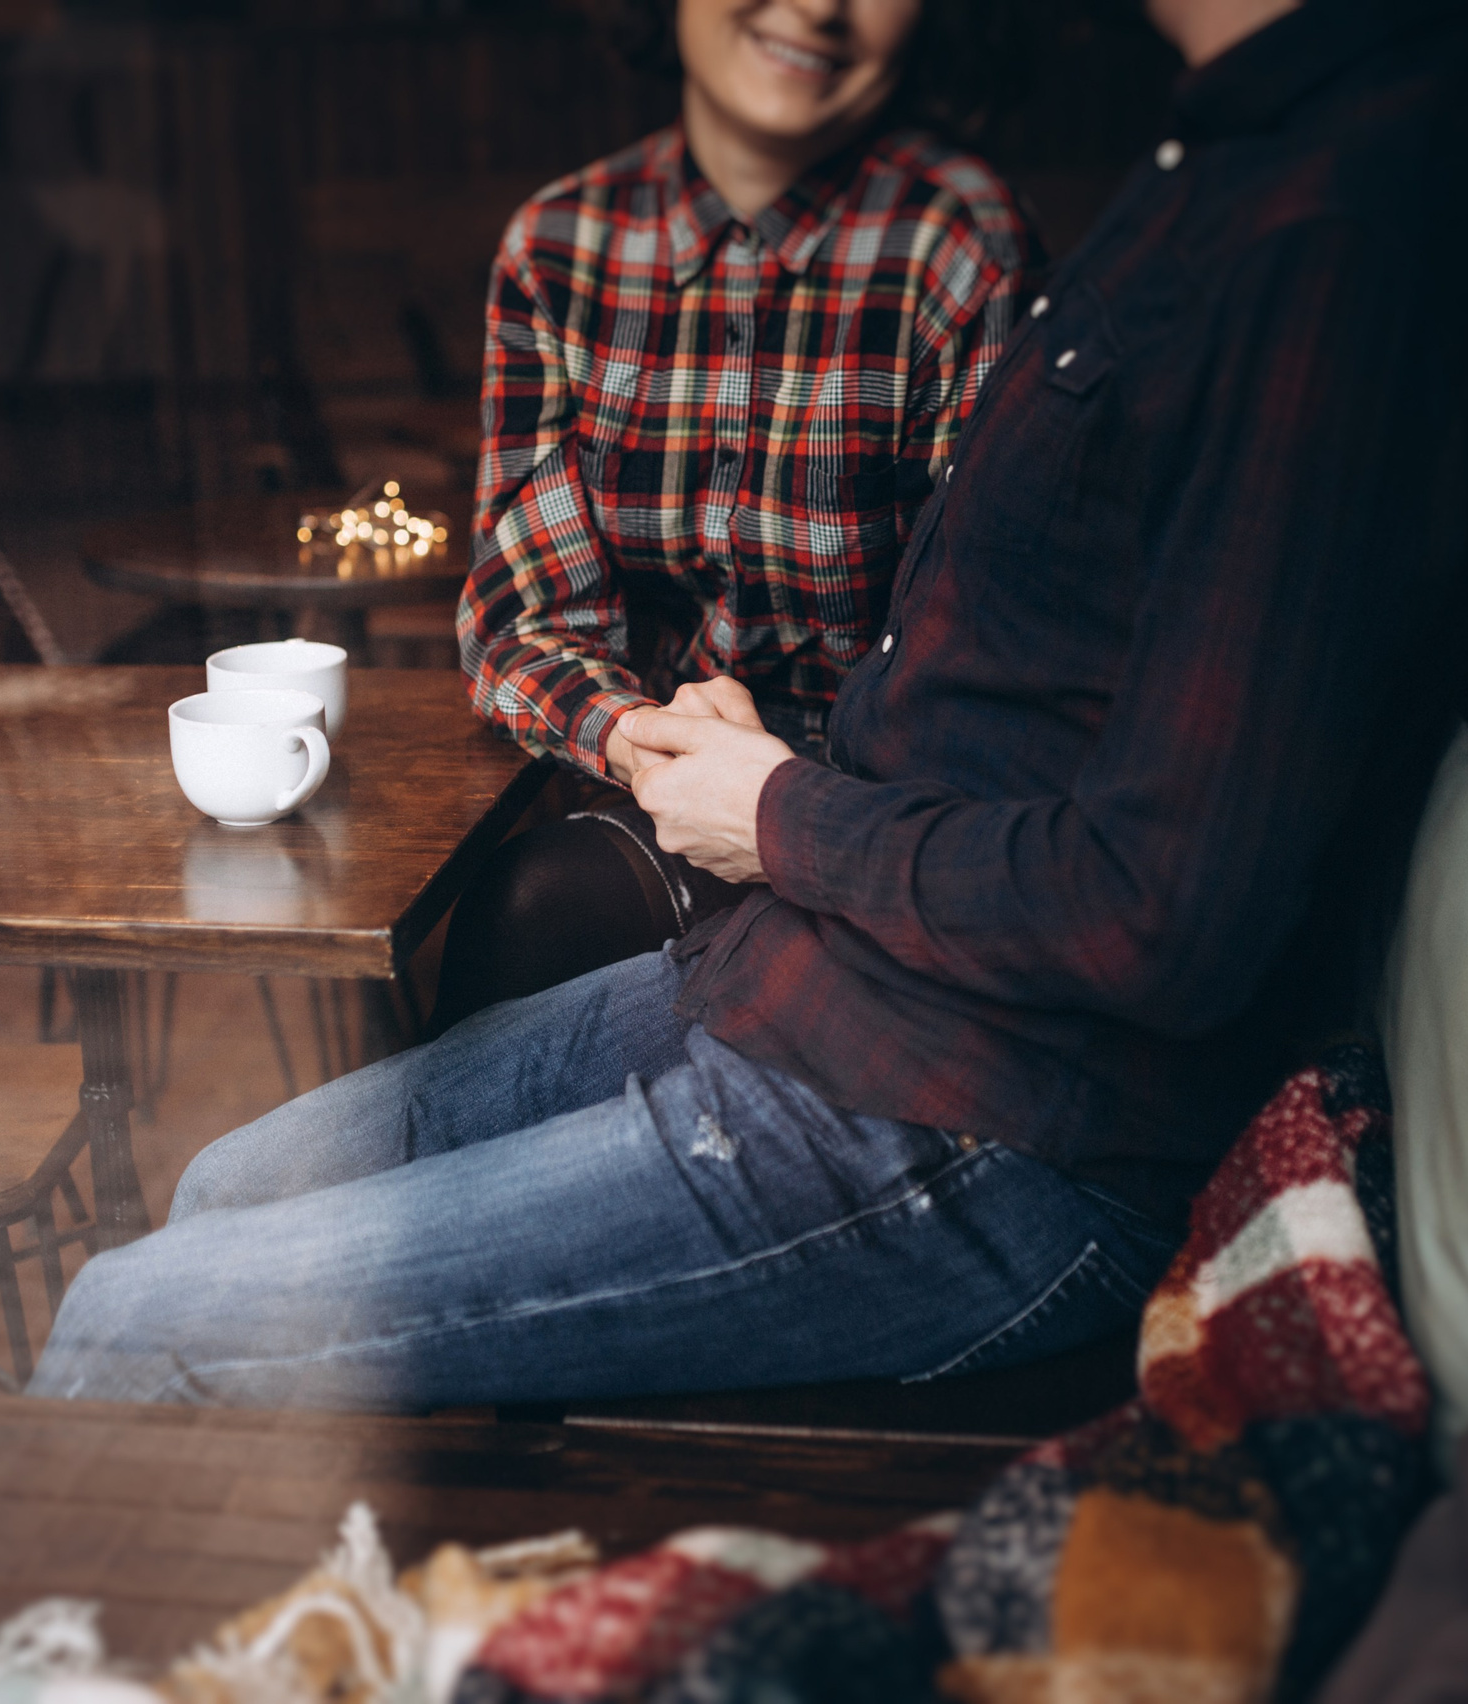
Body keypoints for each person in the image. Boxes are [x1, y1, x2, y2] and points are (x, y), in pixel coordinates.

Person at [30, 0, 1468, 1411]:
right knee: (226, 1181)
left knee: (125, 1312)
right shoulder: (1211, 164)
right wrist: (675, 755)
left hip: (958, 1082)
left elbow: (1156, 900)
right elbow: (538, 621)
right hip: (815, 954)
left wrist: (774, 807)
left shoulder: (1284, 229)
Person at [431, 0, 1038, 1028]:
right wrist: (640, 739)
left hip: (876, 816)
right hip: (651, 775)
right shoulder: (559, 248)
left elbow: (980, 672)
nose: (817, 7)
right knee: (521, 914)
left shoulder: (960, 251)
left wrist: (783, 805)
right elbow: (523, 620)